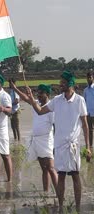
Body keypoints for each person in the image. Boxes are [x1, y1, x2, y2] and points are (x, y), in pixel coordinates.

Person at [26, 70, 92, 211]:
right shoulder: (57, 100)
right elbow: (40, 111)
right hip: (59, 145)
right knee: (61, 176)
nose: (60, 85)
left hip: (73, 145)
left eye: (63, 83)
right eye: (60, 82)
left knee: (75, 176)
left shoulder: (79, 100)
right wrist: (32, 100)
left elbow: (85, 125)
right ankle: (61, 207)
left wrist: (88, 147)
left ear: (70, 84)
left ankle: (79, 208)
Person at [9, 81, 58, 193]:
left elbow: (56, 127)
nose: (38, 95)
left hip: (46, 141)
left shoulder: (51, 108)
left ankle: (59, 194)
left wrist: (55, 145)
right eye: (38, 93)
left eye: (41, 93)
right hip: (36, 140)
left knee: (50, 168)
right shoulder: (36, 103)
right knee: (44, 169)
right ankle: (46, 192)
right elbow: (26, 98)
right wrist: (15, 88)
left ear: (47, 94)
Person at [83, 72, 94, 149]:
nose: (88, 79)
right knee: (89, 131)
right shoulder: (85, 90)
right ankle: (90, 148)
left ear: (93, 78)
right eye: (87, 78)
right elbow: (84, 101)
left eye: (90, 77)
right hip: (89, 114)